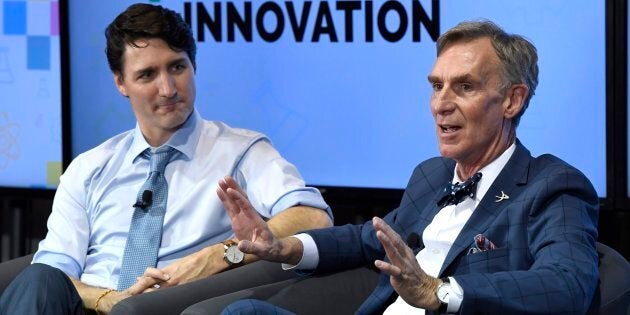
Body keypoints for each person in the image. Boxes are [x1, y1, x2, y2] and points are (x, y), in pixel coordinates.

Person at [185, 20, 600, 314]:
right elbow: (368, 238)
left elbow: (568, 283)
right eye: (436, 86)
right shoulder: (431, 175)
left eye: (465, 86)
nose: (441, 104)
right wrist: (284, 247)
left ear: (512, 100)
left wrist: (438, 292)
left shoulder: (552, 185)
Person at [0, 3, 332, 314]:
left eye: (177, 67)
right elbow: (54, 273)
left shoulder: (241, 152)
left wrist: (220, 255)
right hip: (95, 305)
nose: (168, 89)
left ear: (194, 65)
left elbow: (314, 218)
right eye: (147, 75)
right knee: (38, 280)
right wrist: (109, 300)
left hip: (175, 305)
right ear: (121, 83)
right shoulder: (89, 168)